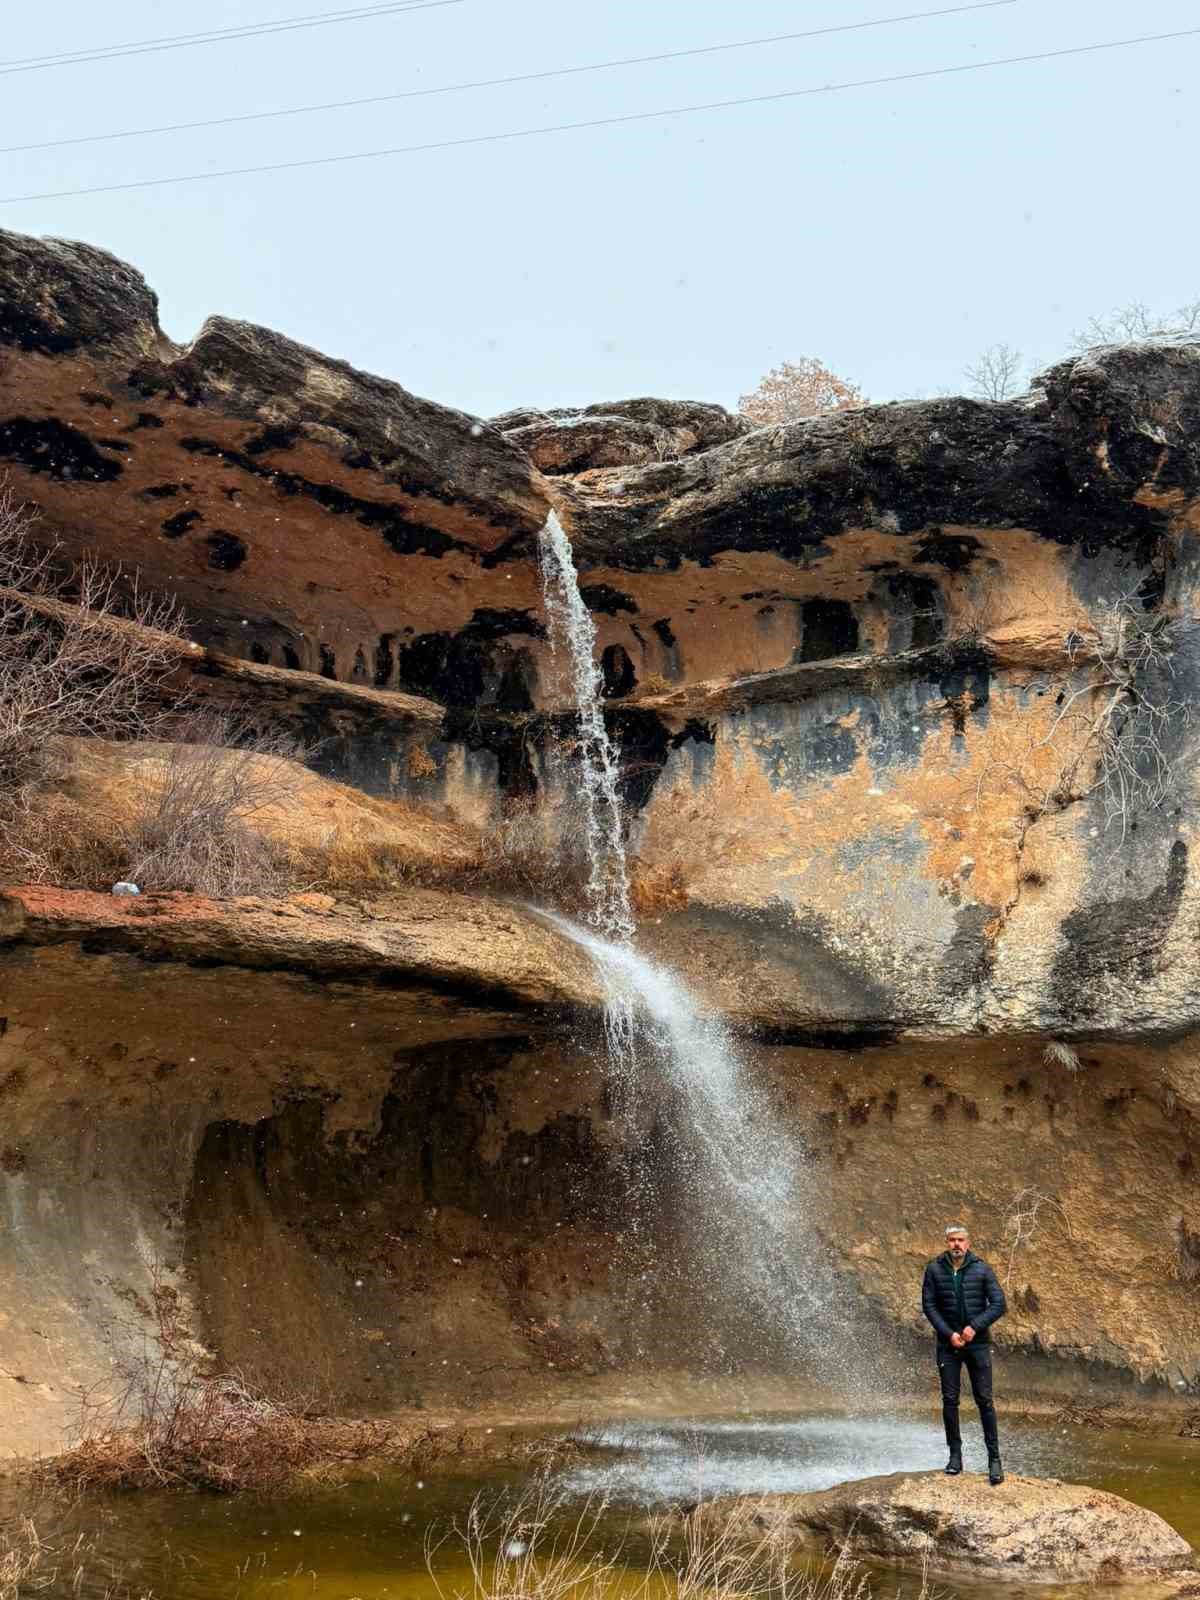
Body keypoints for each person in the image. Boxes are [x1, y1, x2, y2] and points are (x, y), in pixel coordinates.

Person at [921, 1223, 1007, 1484]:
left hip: (977, 1344)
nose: (956, 1245)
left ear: (968, 1243)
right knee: (949, 1400)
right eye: (951, 1240)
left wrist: (974, 1327)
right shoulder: (935, 1269)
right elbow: (929, 1305)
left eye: (960, 1240)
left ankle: (994, 1460)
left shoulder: (981, 1268)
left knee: (985, 1401)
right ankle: (955, 1457)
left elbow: (999, 1304)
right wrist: (949, 1333)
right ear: (947, 1243)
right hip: (948, 1345)